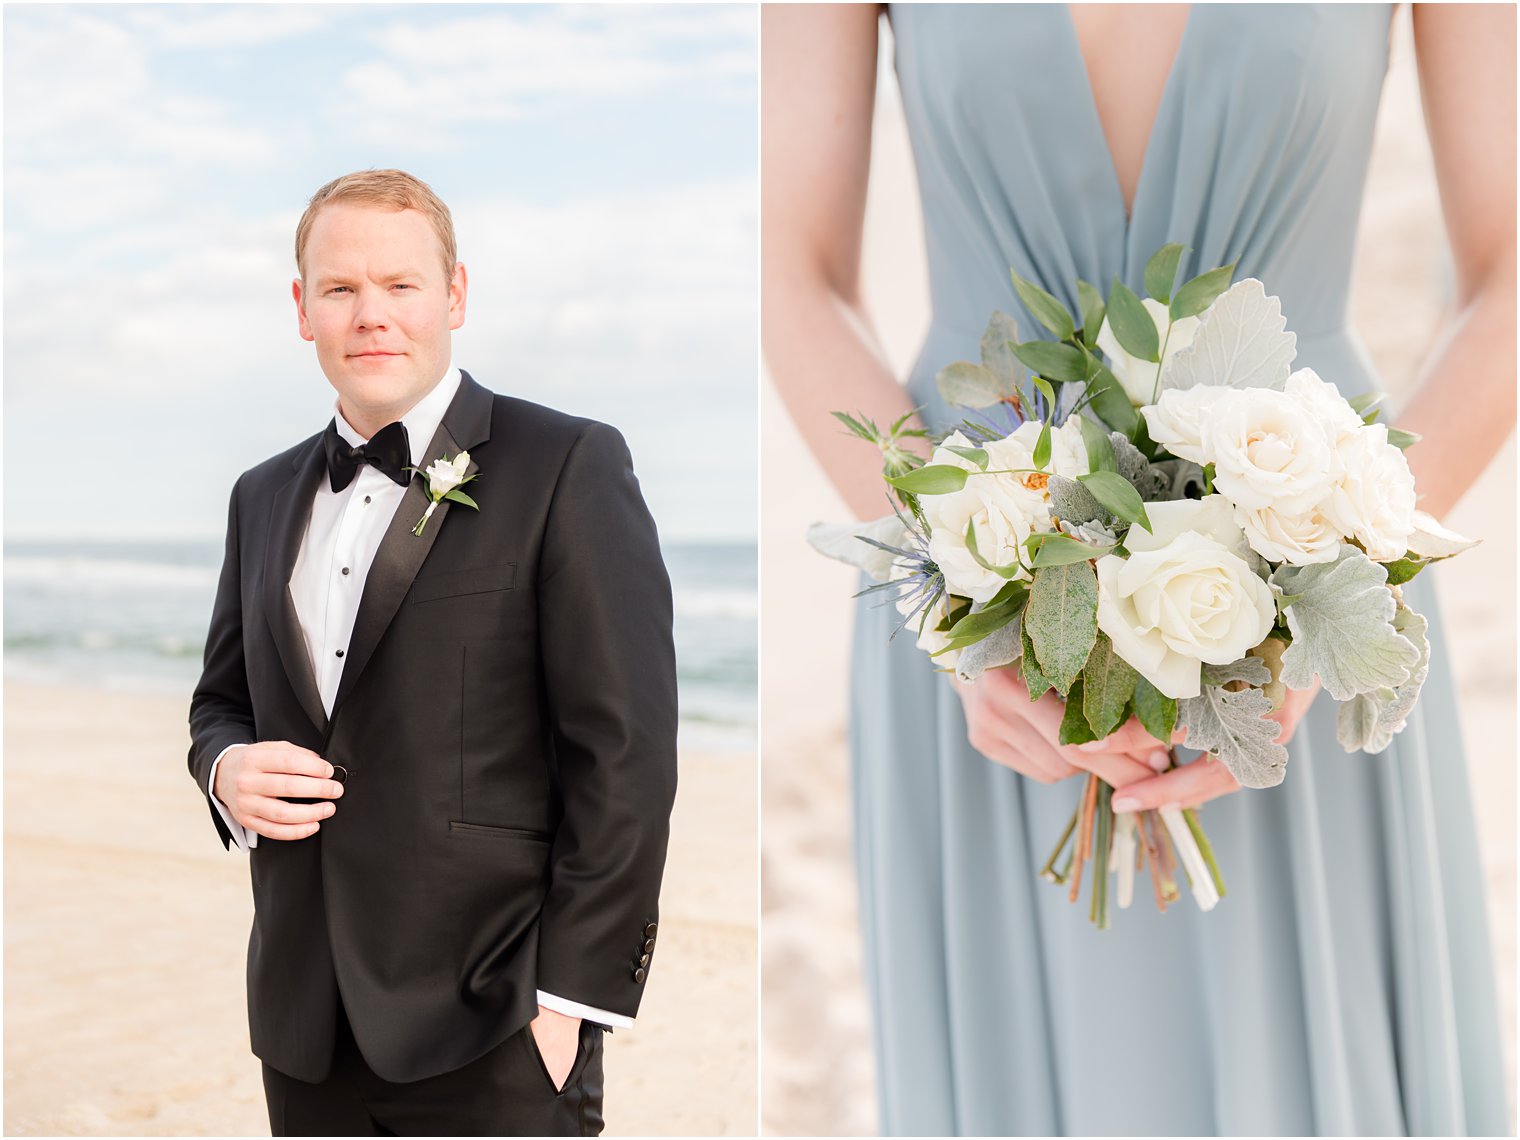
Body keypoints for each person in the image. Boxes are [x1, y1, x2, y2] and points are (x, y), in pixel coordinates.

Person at [764, 4, 1512, 1135]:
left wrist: (1347, 580)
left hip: (1315, 590)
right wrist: (962, 607)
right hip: (984, 626)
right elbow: (791, 273)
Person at [187, 168, 678, 1136]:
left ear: (454, 295)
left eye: (400, 285)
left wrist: (568, 1003)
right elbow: (220, 702)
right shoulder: (260, 496)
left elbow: (622, 756)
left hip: (493, 1024)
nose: (370, 315)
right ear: (302, 309)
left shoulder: (567, 465)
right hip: (305, 1023)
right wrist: (225, 768)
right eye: (339, 289)